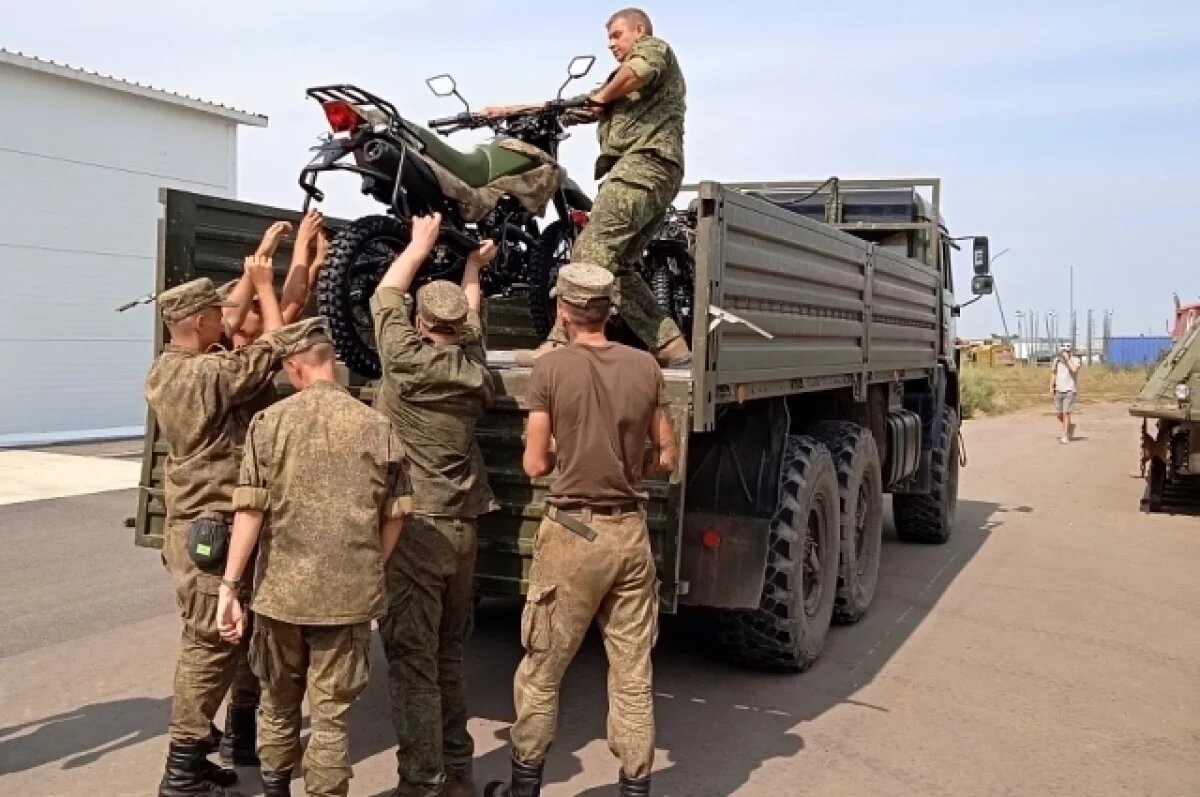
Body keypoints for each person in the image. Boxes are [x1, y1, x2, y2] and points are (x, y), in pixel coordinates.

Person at [484, 263, 678, 797]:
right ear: (610, 311)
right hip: (630, 533)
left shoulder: (550, 370)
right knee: (633, 672)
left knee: (544, 667)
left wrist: (566, 453)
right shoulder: (645, 368)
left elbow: (532, 466)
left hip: (573, 532)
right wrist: (631, 468)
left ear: (562, 310)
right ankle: (635, 787)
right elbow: (667, 453)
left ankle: (524, 786)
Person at [215, 317, 412, 797]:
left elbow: (249, 511)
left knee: (279, 705)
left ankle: (276, 789)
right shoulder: (377, 425)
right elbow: (396, 515)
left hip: (280, 593)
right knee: (330, 719)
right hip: (348, 594)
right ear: (332, 367)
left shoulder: (270, 424)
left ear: (293, 368)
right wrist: (371, 565)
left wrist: (229, 586)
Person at [369, 212, 499, 797]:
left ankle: (420, 784)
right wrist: (472, 268)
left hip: (417, 534)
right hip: (463, 533)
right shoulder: (475, 373)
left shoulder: (407, 363)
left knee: (413, 662)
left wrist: (419, 246)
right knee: (448, 656)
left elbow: (385, 294)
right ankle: (459, 774)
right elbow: (471, 320)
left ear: (421, 325)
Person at [482, 7, 691, 368]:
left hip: (644, 165)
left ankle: (561, 342)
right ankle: (672, 346)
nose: (611, 44)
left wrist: (603, 96)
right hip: (653, 172)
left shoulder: (654, 50)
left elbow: (632, 75)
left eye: (617, 35)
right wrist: (509, 110)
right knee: (618, 266)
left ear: (639, 30)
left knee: (591, 249)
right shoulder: (619, 83)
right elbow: (575, 106)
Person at [144, 268, 286, 797]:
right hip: (213, 529)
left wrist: (251, 278)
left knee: (217, 640)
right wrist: (266, 286)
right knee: (208, 646)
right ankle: (181, 772)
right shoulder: (210, 374)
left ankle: (201, 756)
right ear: (202, 321)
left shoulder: (165, 370)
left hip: (192, 525)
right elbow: (272, 347)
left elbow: (231, 337)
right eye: (217, 316)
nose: (225, 320)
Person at [220, 210, 330, 349]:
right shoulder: (250, 355)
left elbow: (295, 301)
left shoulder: (258, 346)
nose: (263, 311)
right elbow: (293, 303)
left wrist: (318, 262)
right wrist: (303, 241)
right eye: (255, 307)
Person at [1051, 342, 1081, 444]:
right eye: (1063, 351)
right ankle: (1070, 426)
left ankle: (1065, 435)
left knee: (1066, 413)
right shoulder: (1057, 361)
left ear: (1071, 352)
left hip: (1070, 390)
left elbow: (1074, 370)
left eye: (1067, 351)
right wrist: (1051, 386)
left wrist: (1067, 360)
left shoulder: (1075, 360)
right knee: (1058, 413)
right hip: (1059, 389)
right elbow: (1053, 373)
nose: (1065, 353)